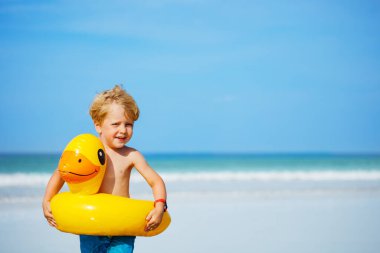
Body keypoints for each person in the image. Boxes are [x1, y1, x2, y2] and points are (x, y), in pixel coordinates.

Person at [42, 85, 168, 253]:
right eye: (116, 124)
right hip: (92, 223)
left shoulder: (132, 155)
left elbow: (155, 181)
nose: (123, 130)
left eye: (128, 124)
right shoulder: (89, 151)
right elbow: (61, 172)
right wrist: (47, 200)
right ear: (98, 125)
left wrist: (160, 206)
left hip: (122, 225)